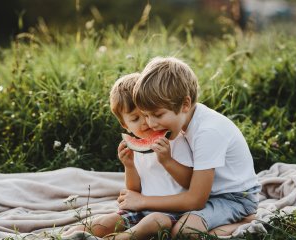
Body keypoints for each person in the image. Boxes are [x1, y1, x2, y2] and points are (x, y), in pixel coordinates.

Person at [116, 57, 261, 238]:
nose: (151, 124)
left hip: (235, 198)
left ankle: (245, 221)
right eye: (146, 115)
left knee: (185, 232)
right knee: (181, 230)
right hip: (210, 194)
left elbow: (195, 200)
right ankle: (220, 228)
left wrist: (143, 201)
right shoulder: (185, 122)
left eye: (158, 114)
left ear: (185, 104)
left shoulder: (208, 132)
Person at [63, 73, 194, 239]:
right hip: (140, 209)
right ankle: (67, 235)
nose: (146, 122)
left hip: (174, 213)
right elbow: (133, 190)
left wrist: (167, 160)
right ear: (125, 125)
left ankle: (120, 238)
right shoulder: (135, 147)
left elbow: (190, 182)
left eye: (148, 114)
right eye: (135, 118)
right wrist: (129, 166)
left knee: (157, 221)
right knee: (109, 220)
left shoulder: (176, 139)